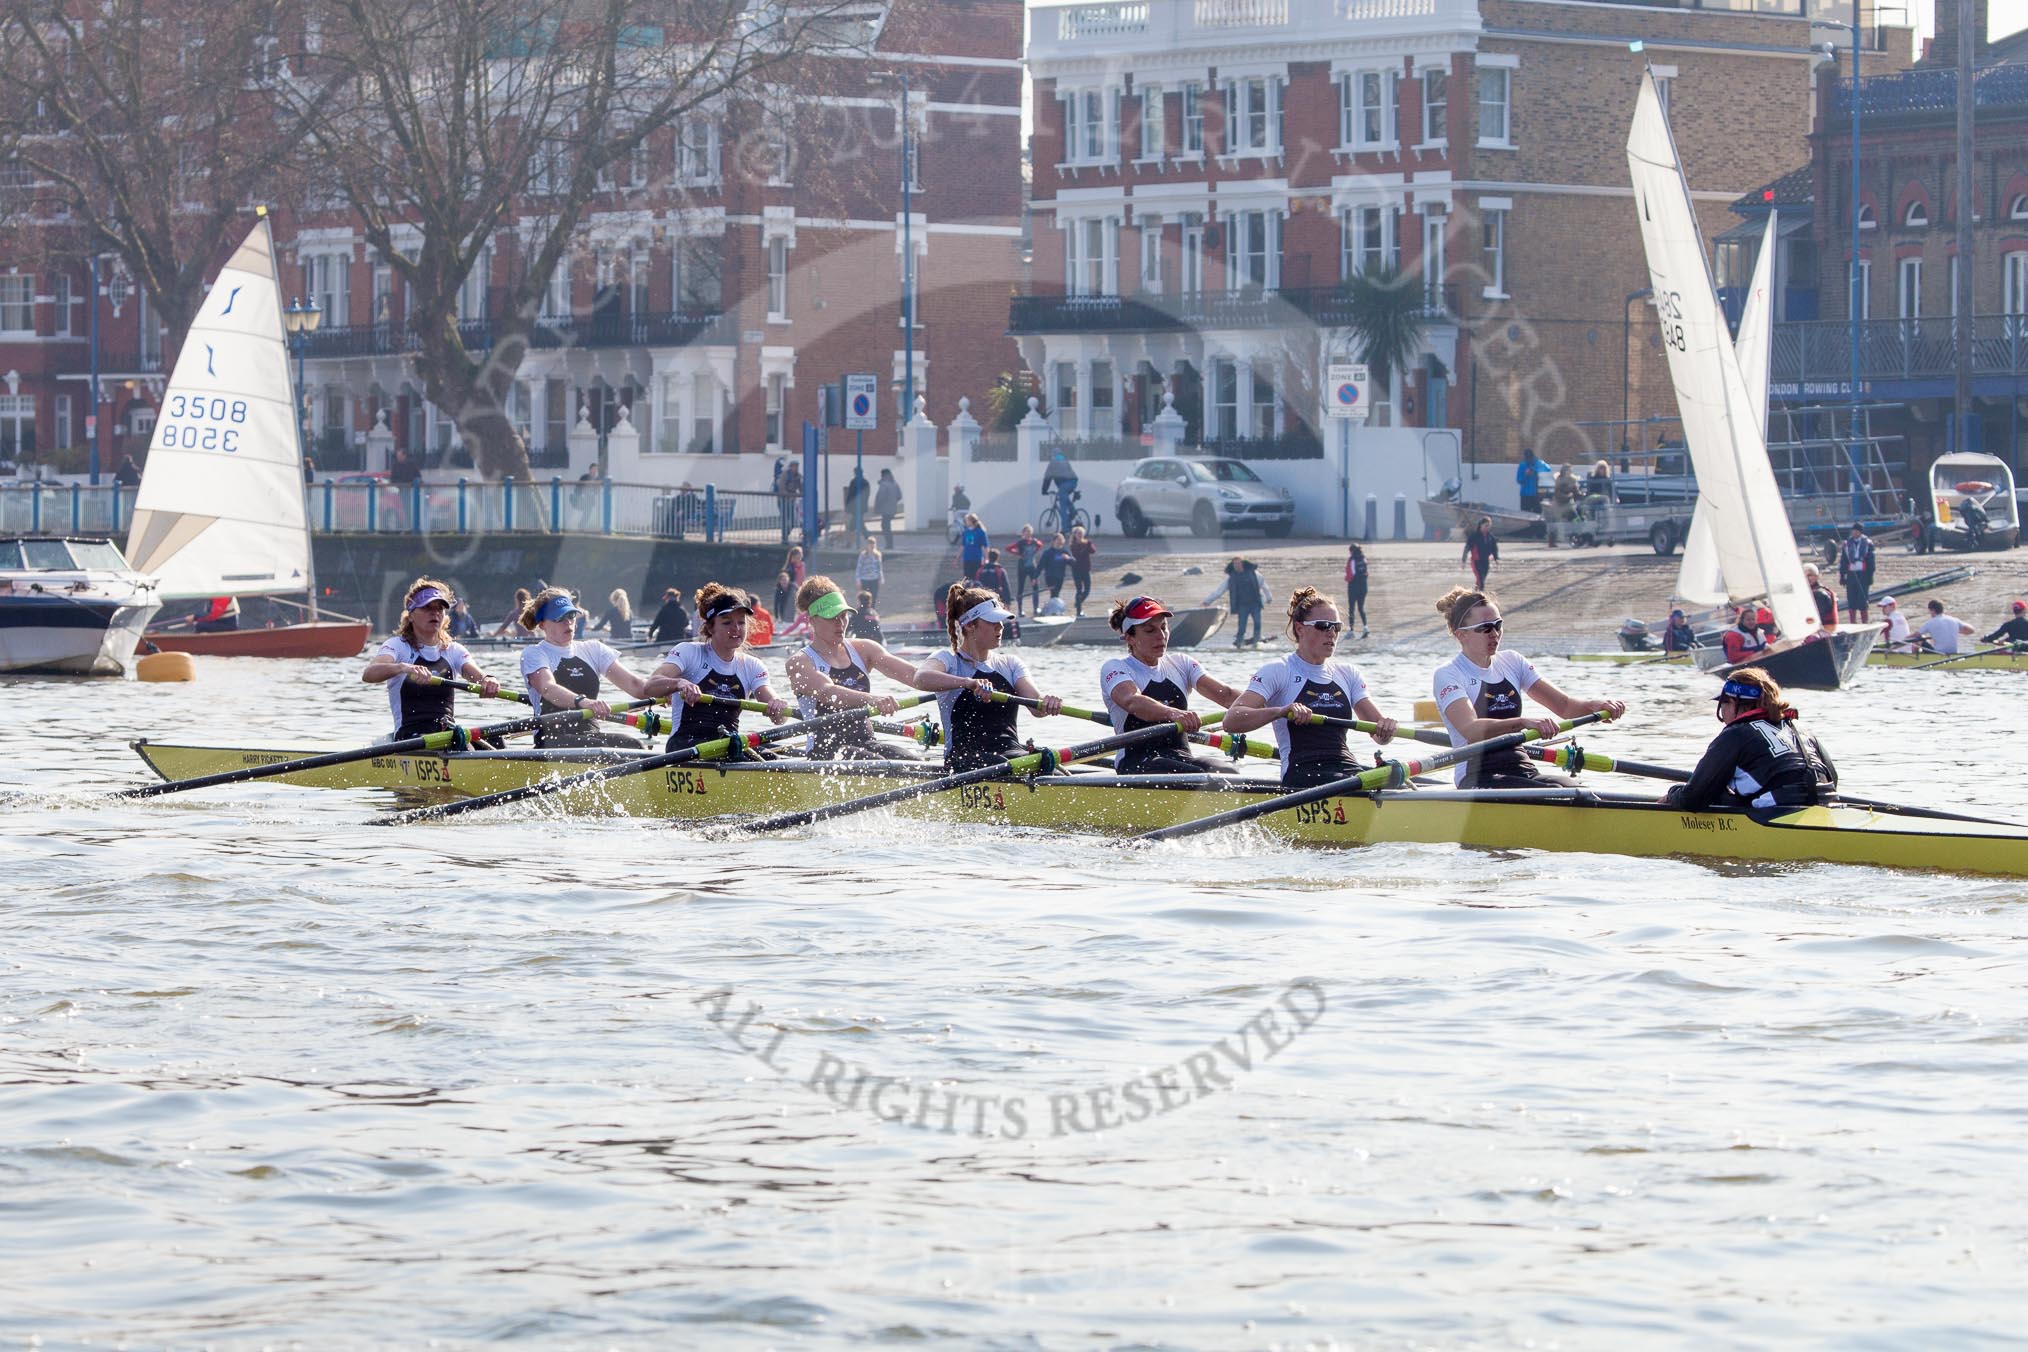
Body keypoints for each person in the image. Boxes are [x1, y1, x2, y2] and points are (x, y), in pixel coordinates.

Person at [1432, 586, 1626, 789]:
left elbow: (1565, 706)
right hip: (1477, 774)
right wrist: (1524, 722)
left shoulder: (1512, 661)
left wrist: (1595, 705)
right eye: (1485, 628)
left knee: (1576, 789)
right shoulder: (1448, 674)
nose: (1495, 633)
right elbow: (1471, 730)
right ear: (1461, 635)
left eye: (1498, 625)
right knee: (1554, 794)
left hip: (1521, 767)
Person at [1223, 588, 1398, 788]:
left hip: (1347, 770)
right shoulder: (1279, 670)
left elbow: (1378, 736)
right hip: (1303, 773)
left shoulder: (1348, 674)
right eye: (1323, 626)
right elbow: (1232, 720)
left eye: (1336, 627)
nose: (1331, 633)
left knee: (1391, 782)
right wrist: (1281, 711)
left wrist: (1386, 729)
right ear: (1300, 629)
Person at [914, 582, 1064, 770]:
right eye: (992, 622)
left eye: (1001, 621)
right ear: (969, 625)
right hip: (963, 759)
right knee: (1005, 765)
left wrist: (1047, 702)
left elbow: (1037, 707)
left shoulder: (1010, 664)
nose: (1000, 627)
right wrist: (968, 683)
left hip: (1011, 754)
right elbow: (921, 678)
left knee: (1045, 761)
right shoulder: (949, 660)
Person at [785, 576, 929, 760]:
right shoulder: (799, 662)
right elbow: (829, 693)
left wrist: (961, 681)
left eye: (843, 615)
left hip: (867, 743)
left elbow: (914, 675)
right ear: (812, 620)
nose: (841, 623)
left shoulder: (864, 649)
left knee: (914, 761)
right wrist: (873, 700)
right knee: (878, 763)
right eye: (832, 617)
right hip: (826, 751)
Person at [1097, 596, 1241, 775]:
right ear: (1129, 638)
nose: (1161, 636)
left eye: (1164, 627)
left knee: (1228, 772)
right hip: (1136, 763)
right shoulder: (1116, 667)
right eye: (1150, 630)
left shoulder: (1182, 663)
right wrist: (1174, 713)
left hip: (1181, 758)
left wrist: (1275, 707)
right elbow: (1132, 701)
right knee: (1200, 778)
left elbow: (1226, 696)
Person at [1662, 668, 1836, 813]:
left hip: (1779, 813)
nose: (1722, 710)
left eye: (1722, 703)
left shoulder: (1734, 735)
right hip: (1826, 807)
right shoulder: (1800, 728)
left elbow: (1692, 799)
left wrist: (1672, 794)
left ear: (1733, 703)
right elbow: (1832, 778)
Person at [645, 584, 791, 753]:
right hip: (685, 748)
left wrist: (779, 708)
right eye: (727, 622)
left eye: (741, 623)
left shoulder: (753, 666)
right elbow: (650, 686)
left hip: (726, 749)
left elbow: (779, 719)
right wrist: (680, 683)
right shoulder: (689, 652)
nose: (736, 628)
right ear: (710, 627)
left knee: (776, 754)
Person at [361, 578, 502, 741]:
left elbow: (478, 677)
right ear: (411, 615)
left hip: (447, 733)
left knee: (496, 740)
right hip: (410, 736)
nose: (434, 613)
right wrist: (403, 668)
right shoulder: (397, 646)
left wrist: (488, 680)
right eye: (427, 608)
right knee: (445, 742)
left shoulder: (453, 650)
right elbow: (368, 674)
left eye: (439, 608)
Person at [517, 587, 654, 749]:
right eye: (559, 618)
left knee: (634, 745)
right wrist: (584, 702)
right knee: (600, 749)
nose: (568, 622)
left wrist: (667, 691)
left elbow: (636, 686)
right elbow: (548, 688)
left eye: (571, 615)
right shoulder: (534, 653)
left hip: (591, 736)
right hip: (551, 740)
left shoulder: (594, 649)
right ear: (542, 625)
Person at [1837, 522, 1875, 625]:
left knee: (1863, 600)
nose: (1853, 533)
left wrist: (1870, 576)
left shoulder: (1867, 543)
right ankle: (1853, 622)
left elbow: (1871, 561)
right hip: (1851, 575)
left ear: (1860, 532)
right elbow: (1843, 561)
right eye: (1852, 531)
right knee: (1851, 599)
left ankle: (1864, 622)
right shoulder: (1846, 544)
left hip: (1863, 574)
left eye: (1856, 531)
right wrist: (1842, 575)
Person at [1006, 523, 1042, 614]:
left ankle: (1036, 608)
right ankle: (1020, 610)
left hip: (1032, 566)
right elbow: (1008, 548)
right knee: (1021, 587)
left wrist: (1034, 552)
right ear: (1023, 533)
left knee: (1035, 587)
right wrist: (1018, 554)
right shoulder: (1020, 543)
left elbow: (1040, 545)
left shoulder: (1034, 541)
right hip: (1022, 567)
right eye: (1026, 532)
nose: (1028, 534)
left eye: (1029, 532)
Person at [1042, 448, 1079, 529]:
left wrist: (1044, 490)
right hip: (1073, 481)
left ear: (1053, 455)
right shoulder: (1065, 460)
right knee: (1064, 498)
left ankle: (1065, 529)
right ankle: (1074, 513)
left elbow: (1047, 478)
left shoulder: (1053, 463)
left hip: (1066, 484)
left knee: (1063, 507)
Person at [1068, 525, 1096, 618]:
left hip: (1086, 569)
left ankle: (1078, 603)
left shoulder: (1087, 543)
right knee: (1079, 590)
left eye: (1081, 533)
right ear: (1075, 535)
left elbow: (1093, 551)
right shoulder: (1073, 545)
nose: (1080, 535)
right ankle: (1079, 610)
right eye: (1078, 533)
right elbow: (1077, 554)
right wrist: (1084, 546)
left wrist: (1088, 544)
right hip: (1076, 570)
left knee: (1087, 590)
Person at [1461, 517, 1498, 589]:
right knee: (1481, 581)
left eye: (1489, 526)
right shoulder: (1474, 536)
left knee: (1480, 581)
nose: (1487, 528)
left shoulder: (1490, 537)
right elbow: (1467, 548)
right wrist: (1463, 561)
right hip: (1476, 562)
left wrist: (1496, 559)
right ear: (1481, 525)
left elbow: (1494, 548)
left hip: (1486, 562)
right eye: (1486, 525)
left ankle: (1474, 596)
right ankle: (1480, 597)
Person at [1038, 531, 1073, 606]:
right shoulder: (1048, 552)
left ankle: (1053, 608)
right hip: (1050, 576)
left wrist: (1068, 558)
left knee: (1056, 594)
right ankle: (1053, 608)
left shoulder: (1064, 551)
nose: (1060, 542)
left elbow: (1073, 563)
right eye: (1058, 540)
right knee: (1054, 593)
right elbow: (1041, 565)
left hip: (1060, 576)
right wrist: (1035, 577)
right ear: (1053, 541)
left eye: (1061, 540)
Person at [1803, 564, 1837, 636]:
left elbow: (1818, 616)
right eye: (1805, 576)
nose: (1807, 578)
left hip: (1824, 632)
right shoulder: (1809, 591)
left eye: (1810, 575)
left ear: (1817, 576)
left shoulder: (1820, 593)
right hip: (1817, 631)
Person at [1550, 463, 1580, 545]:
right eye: (1567, 470)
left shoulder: (1573, 480)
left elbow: (1576, 492)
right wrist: (1568, 496)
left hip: (1569, 504)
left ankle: (1577, 536)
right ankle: (1554, 540)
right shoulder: (1559, 481)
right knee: (1556, 520)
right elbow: (1558, 495)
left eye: (1570, 470)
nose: (1569, 472)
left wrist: (1579, 494)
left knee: (1576, 517)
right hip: (1559, 504)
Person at [1344, 543, 1370, 639]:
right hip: (1364, 587)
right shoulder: (1364, 559)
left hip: (1353, 587)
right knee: (1361, 608)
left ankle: (1351, 631)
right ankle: (1365, 627)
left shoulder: (1352, 560)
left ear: (1352, 551)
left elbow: (1351, 575)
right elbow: (1366, 573)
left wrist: (1346, 578)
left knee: (1351, 609)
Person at [874, 468, 903, 549]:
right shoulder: (895, 484)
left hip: (885, 509)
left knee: (885, 526)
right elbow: (899, 496)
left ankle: (889, 545)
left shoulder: (884, 485)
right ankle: (890, 544)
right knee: (887, 526)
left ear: (883, 475)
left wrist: (877, 506)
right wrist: (893, 501)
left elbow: (880, 497)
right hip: (892, 508)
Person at [1515, 449, 1548, 517]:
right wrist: (1525, 475)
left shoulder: (1539, 463)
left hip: (1537, 495)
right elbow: (1519, 480)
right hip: (1525, 495)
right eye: (1527, 458)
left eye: (1530, 458)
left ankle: (1537, 527)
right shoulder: (1522, 465)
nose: (1529, 460)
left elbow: (1547, 471)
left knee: (1537, 515)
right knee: (1524, 514)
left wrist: (1535, 472)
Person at [777, 459, 803, 544]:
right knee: (785, 518)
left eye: (797, 466)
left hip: (791, 500)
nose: (796, 468)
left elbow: (801, 488)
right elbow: (781, 488)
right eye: (794, 466)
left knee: (792, 519)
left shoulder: (798, 476)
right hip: (783, 499)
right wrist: (789, 496)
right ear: (791, 467)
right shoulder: (785, 475)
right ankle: (784, 537)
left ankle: (786, 534)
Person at [959, 512, 989, 581]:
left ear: (971, 521)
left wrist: (986, 558)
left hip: (977, 559)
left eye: (967, 520)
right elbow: (962, 546)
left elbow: (985, 546)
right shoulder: (965, 532)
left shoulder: (981, 532)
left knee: (976, 578)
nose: (965, 522)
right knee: (966, 579)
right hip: (967, 558)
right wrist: (957, 557)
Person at [855, 537, 884, 605]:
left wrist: (881, 579)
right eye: (870, 544)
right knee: (864, 597)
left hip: (874, 579)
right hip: (865, 579)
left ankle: (872, 612)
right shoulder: (863, 555)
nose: (872, 545)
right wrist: (858, 579)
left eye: (873, 543)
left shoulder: (877, 555)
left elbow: (879, 568)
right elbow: (859, 568)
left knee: (874, 597)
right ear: (867, 545)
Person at [844, 466, 871, 539]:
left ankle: (868, 538)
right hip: (862, 506)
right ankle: (850, 541)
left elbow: (851, 495)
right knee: (855, 524)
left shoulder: (854, 481)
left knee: (858, 524)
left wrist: (847, 506)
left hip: (855, 506)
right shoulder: (865, 482)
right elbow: (867, 495)